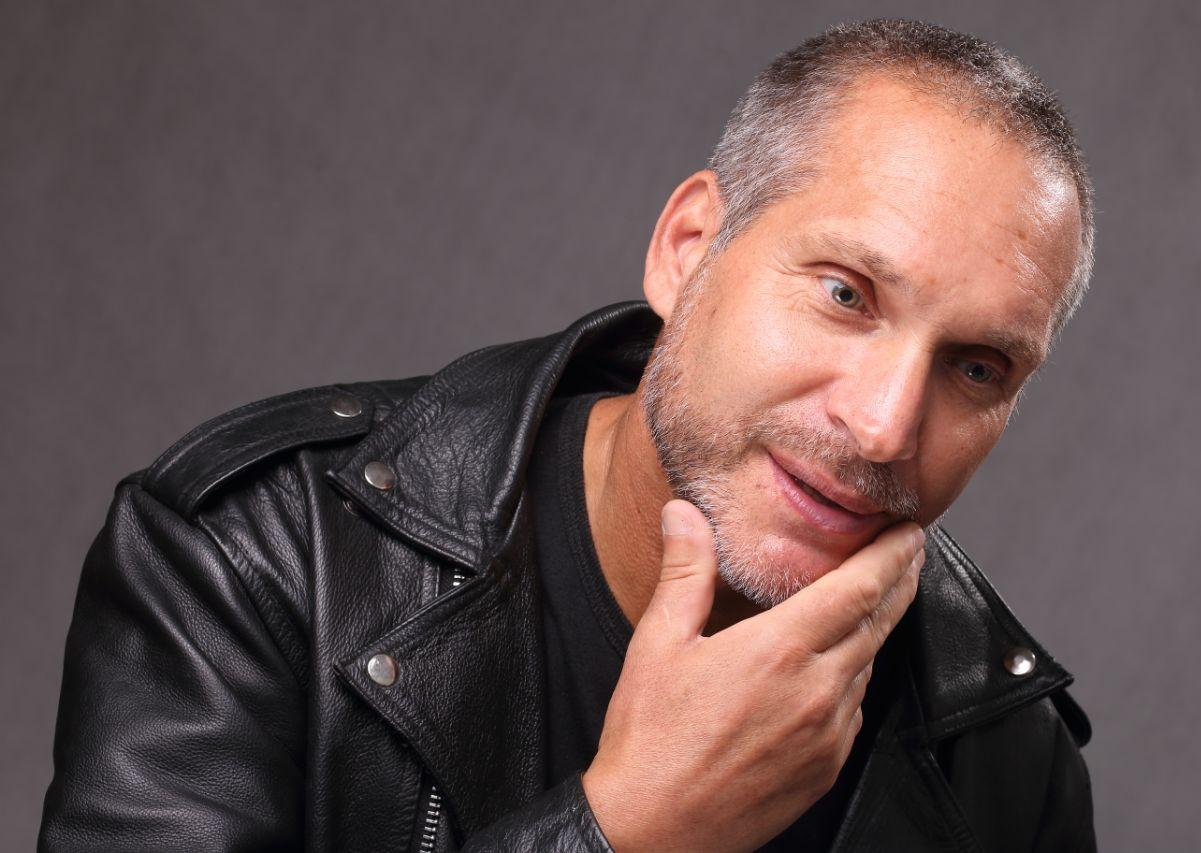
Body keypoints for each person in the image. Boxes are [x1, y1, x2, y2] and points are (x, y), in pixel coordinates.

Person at [39, 18, 1097, 853]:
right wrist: (624, 830)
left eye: (975, 367)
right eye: (844, 294)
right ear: (688, 249)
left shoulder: (1005, 751)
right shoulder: (263, 556)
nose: (882, 424)